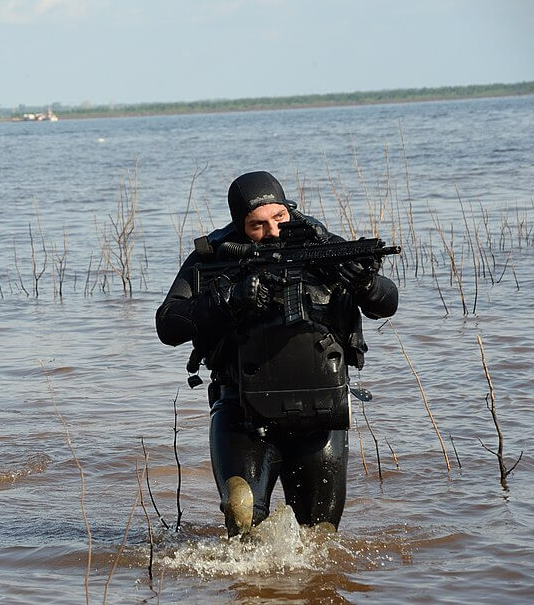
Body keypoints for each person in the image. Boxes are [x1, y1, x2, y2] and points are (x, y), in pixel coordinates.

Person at [155, 171, 398, 535]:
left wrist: (365, 284)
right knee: (241, 513)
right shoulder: (211, 257)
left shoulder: (325, 245)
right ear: (240, 225)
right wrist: (228, 299)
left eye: (279, 218)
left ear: (288, 208)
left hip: (320, 413)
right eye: (258, 225)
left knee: (320, 538)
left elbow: (388, 302)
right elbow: (167, 324)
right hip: (241, 414)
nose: (272, 231)